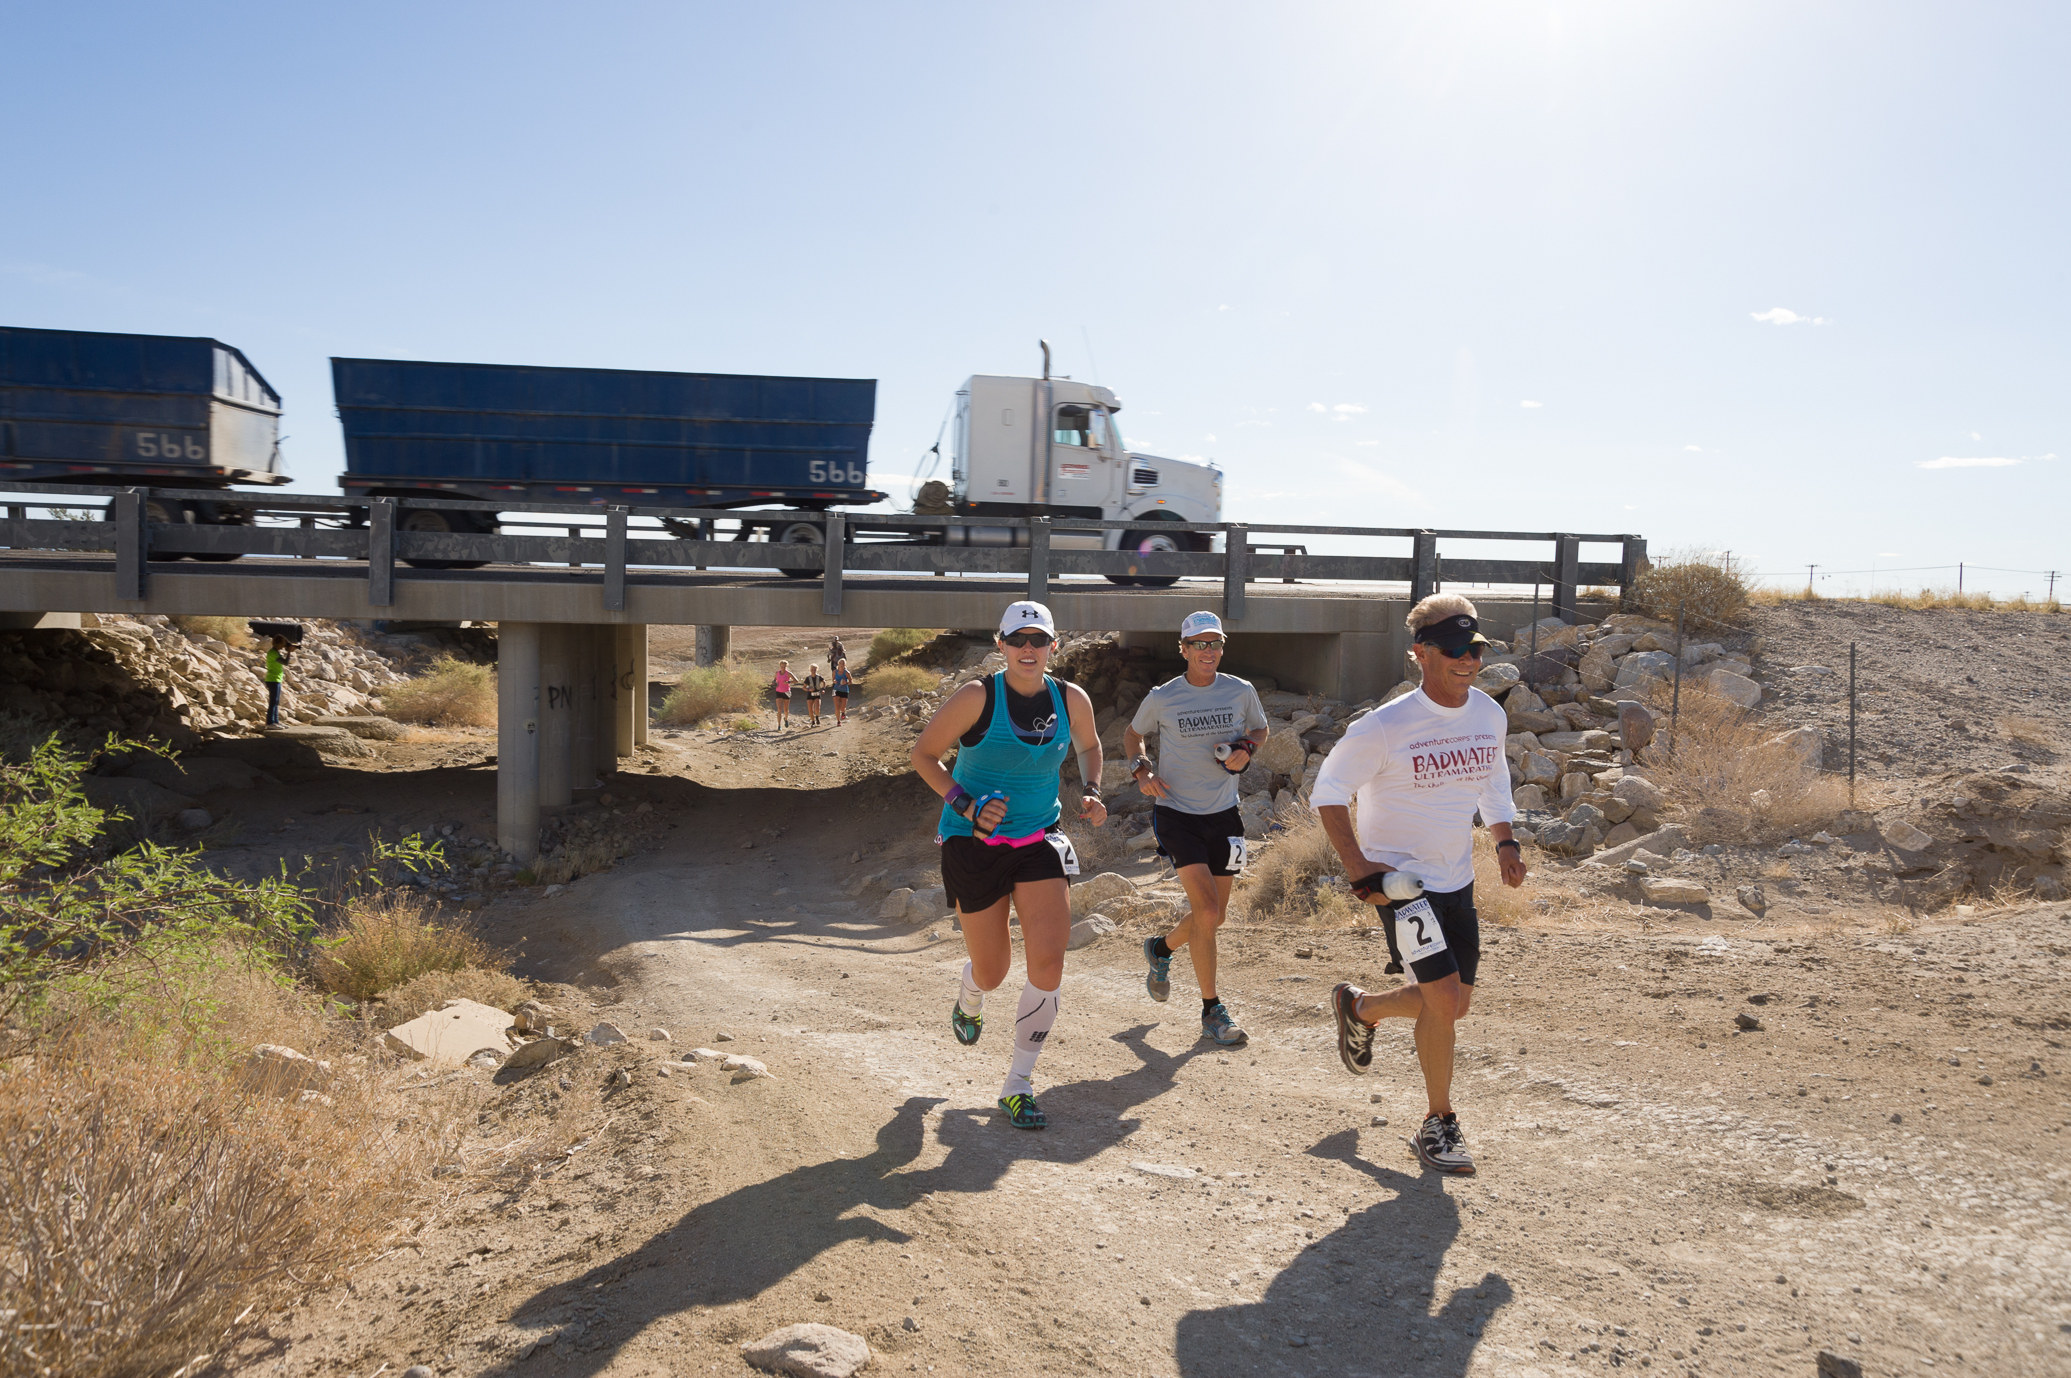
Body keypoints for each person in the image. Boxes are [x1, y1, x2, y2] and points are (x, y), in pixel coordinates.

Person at [1311, 594, 1527, 1176]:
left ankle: (1359, 1007)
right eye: (1453, 649)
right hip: (1400, 886)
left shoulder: (1488, 714)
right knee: (1443, 1000)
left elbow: (1494, 782)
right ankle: (1439, 1122)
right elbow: (1328, 794)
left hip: (1457, 878)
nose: (1467, 660)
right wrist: (1360, 870)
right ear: (1420, 654)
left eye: (1475, 648)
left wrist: (1505, 841)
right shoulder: (1384, 727)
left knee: (1453, 1003)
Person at [908, 600, 1106, 1131]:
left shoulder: (1071, 698)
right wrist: (967, 805)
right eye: (1017, 639)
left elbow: (1089, 745)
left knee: (1049, 962)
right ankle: (970, 993)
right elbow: (924, 755)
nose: (1027, 648)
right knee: (994, 972)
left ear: (1052, 647)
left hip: (1040, 838)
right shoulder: (978, 697)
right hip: (972, 845)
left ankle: (1018, 1084)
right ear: (1000, 645)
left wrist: (1090, 789)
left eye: (1038, 640)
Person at [1124, 610, 1268, 1046]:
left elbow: (1259, 729)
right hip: (1177, 813)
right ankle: (1212, 1011)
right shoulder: (1163, 696)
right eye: (1199, 644)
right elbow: (1133, 736)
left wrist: (1245, 749)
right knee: (1206, 911)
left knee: (1215, 916)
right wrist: (1141, 770)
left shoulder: (1240, 690)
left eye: (1215, 643)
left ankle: (1161, 949)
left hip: (1226, 815)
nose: (1208, 652)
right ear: (1182, 649)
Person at [262, 635, 292, 726]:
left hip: (276, 679)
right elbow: (285, 662)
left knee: (276, 701)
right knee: (273, 701)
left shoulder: (276, 652)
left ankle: (276, 721)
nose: (282, 647)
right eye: (282, 645)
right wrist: (289, 652)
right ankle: (270, 722)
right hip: (272, 679)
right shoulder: (273, 653)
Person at [771, 659, 795, 730]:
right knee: (779, 709)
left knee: (786, 710)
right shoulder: (777, 673)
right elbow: (774, 680)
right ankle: (779, 725)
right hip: (778, 691)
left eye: (784, 667)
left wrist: (788, 682)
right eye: (781, 666)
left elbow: (796, 680)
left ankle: (786, 719)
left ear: (786, 666)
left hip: (786, 692)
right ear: (780, 666)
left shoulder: (788, 673)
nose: (783, 668)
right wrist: (774, 683)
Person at [831, 657, 852, 725]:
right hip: (836, 690)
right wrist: (834, 681)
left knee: (842, 707)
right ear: (838, 664)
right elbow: (833, 679)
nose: (841, 665)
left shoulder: (847, 673)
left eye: (843, 664)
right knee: (837, 706)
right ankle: (838, 721)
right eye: (840, 663)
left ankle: (843, 712)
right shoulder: (835, 672)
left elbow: (851, 682)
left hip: (844, 690)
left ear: (845, 665)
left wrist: (846, 683)